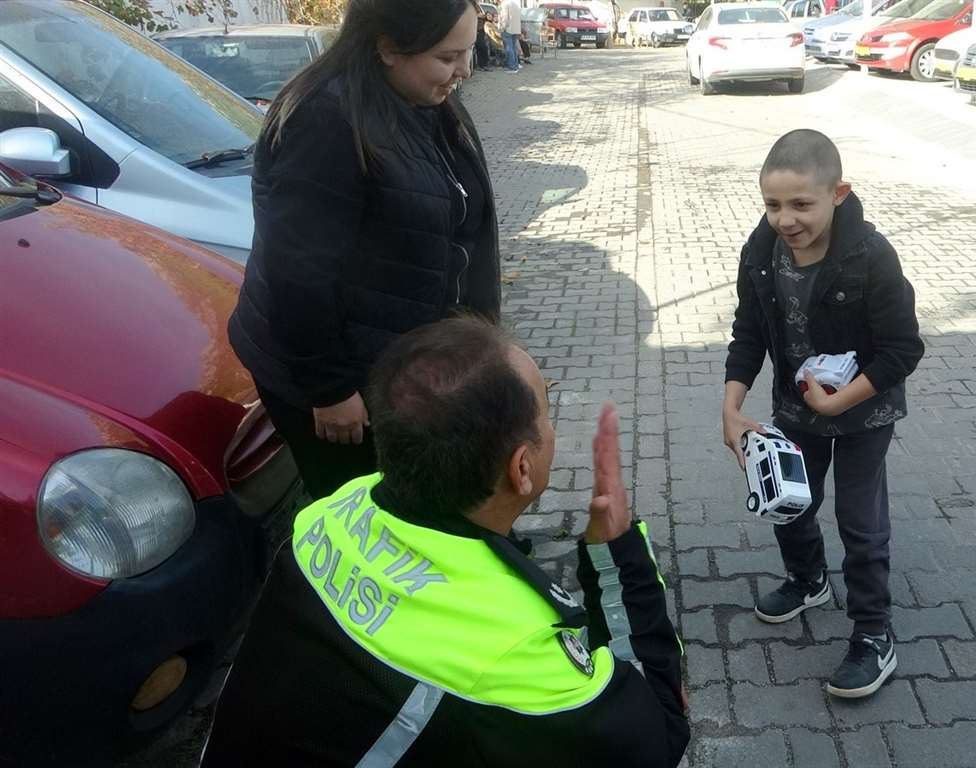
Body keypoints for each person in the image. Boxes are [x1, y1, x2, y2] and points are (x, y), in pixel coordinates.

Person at [202, 318, 690, 766]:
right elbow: (657, 736)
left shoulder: (330, 514)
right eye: (545, 411)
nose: (552, 426)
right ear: (521, 468)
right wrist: (618, 558)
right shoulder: (513, 656)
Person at [227, 0, 501, 503]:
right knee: (364, 510)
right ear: (388, 47)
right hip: (334, 376)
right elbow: (296, 272)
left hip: (401, 362)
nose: (464, 70)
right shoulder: (326, 122)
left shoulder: (428, 103)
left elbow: (461, 222)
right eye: (447, 57)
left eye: (467, 51)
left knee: (422, 498)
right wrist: (329, 390)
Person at [722, 129, 924, 698]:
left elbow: (903, 350)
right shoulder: (760, 251)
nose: (785, 219)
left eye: (801, 204)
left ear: (838, 193)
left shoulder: (870, 256)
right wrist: (731, 406)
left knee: (861, 523)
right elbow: (749, 332)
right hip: (796, 412)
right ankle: (808, 581)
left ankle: (872, 632)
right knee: (788, 502)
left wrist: (841, 399)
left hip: (864, 415)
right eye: (772, 204)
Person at [498, 0, 522, 72]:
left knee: (509, 48)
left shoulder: (504, 4)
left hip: (508, 29)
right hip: (516, 29)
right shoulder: (515, 4)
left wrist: (502, 28)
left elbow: (505, 18)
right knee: (513, 48)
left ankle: (512, 67)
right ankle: (516, 65)